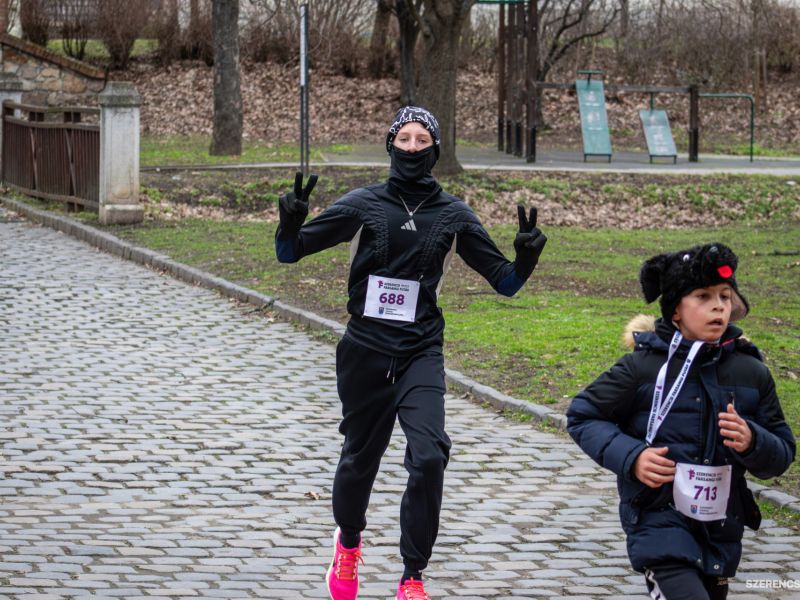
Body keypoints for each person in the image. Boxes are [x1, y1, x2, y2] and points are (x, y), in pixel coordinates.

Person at [274, 106, 547, 600]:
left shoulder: (453, 215)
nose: (414, 147)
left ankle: (412, 577)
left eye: (424, 140)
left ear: (435, 151)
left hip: (420, 350)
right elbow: (289, 253)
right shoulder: (364, 203)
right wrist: (289, 224)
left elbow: (504, 283)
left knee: (428, 458)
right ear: (391, 145)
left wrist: (525, 258)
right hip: (365, 350)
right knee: (361, 458)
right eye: (406, 138)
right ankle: (349, 545)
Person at [567, 242, 795, 600]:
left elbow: (782, 452)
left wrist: (753, 441)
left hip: (721, 528)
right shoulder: (641, 368)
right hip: (659, 519)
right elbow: (582, 415)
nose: (718, 305)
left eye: (724, 295)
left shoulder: (751, 372)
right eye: (702, 296)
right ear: (675, 309)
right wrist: (632, 457)